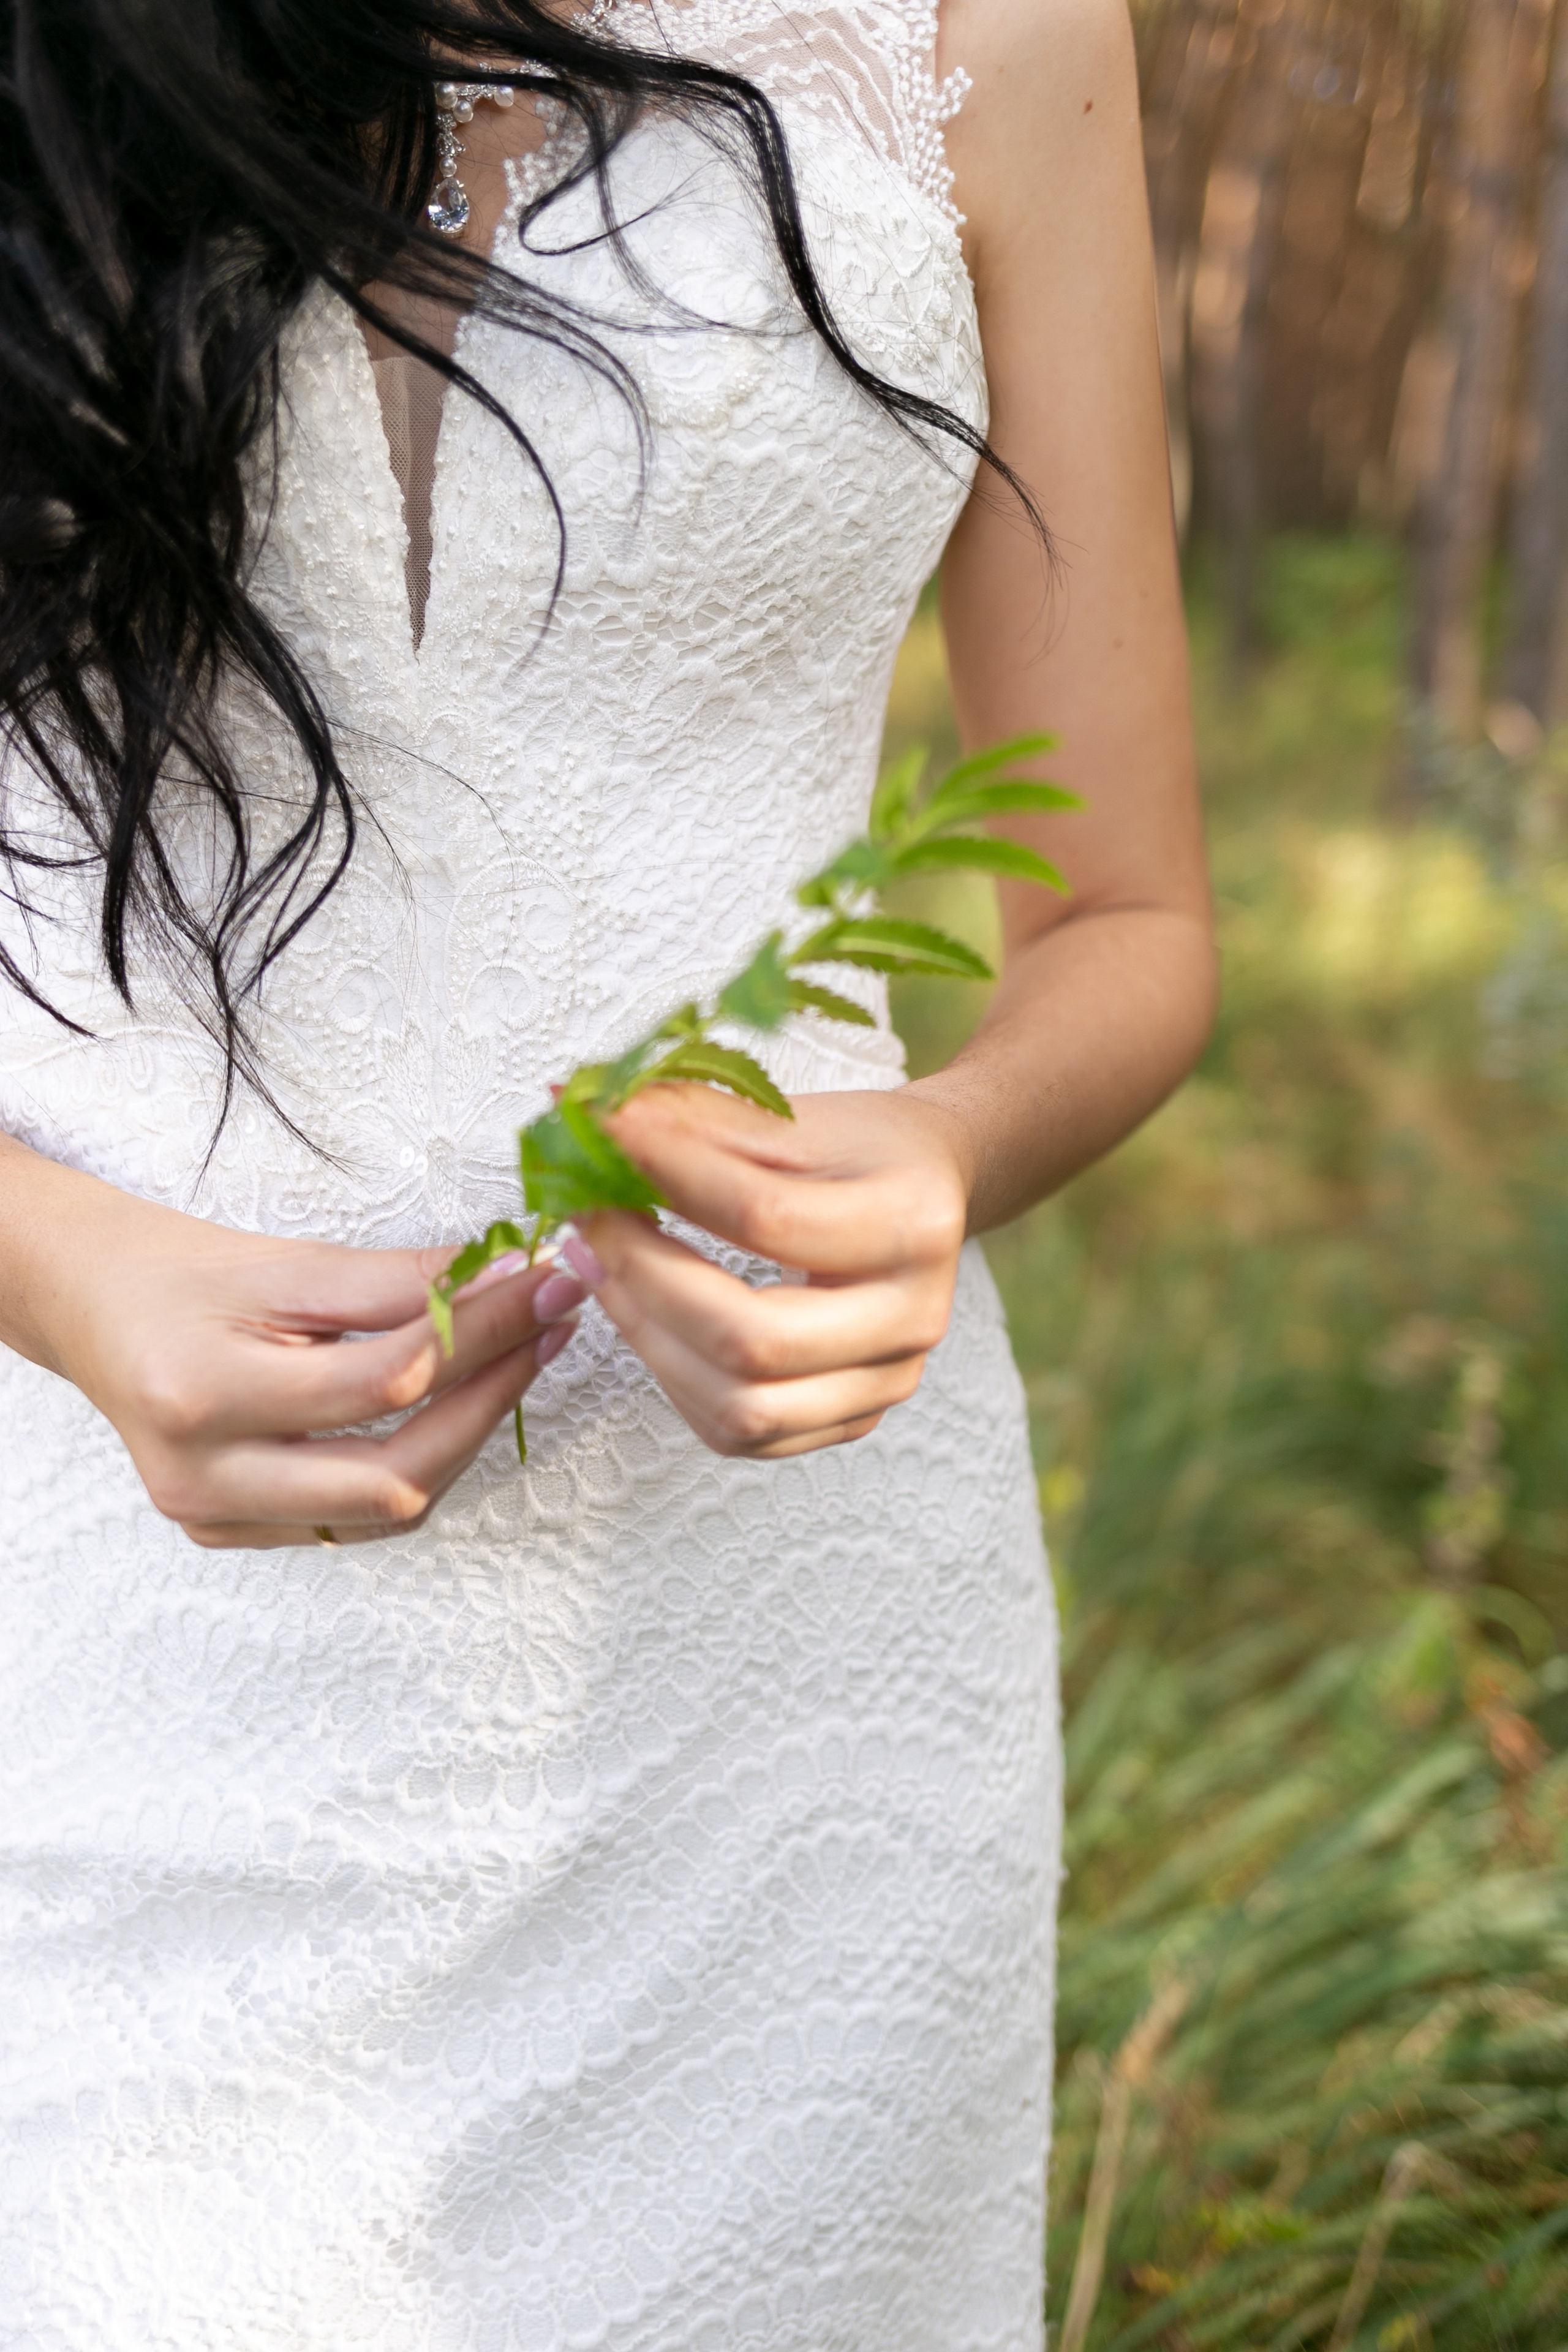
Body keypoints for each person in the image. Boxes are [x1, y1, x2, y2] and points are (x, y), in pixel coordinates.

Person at [0, 0, 1212, 2342]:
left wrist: (941, 1148)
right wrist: (57, 1274)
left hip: (775, 1691)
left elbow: (1129, 919)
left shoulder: (998, 31)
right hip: (91, 1649)